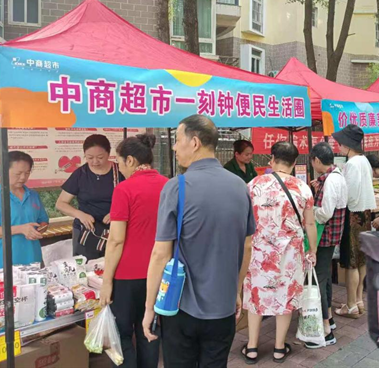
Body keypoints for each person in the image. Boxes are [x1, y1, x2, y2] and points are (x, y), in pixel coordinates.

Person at [142, 115, 255, 368]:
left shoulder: (177, 187)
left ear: (194, 143)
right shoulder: (240, 186)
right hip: (223, 307)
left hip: (181, 308)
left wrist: (150, 308)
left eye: (177, 140)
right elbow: (247, 246)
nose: (174, 147)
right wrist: (236, 291)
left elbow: (160, 254)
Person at [241, 142, 317, 363]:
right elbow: (310, 224)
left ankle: (252, 347)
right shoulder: (303, 188)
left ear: (272, 159)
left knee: (256, 297)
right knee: (286, 298)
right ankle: (279, 348)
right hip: (290, 255)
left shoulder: (253, 185)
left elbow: (244, 219)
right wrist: (312, 250)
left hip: (259, 253)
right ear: (294, 162)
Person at [99, 134, 167, 368]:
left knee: (122, 335)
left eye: (119, 162)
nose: (119, 168)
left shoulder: (124, 189)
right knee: (150, 331)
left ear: (130, 160)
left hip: (127, 276)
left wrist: (107, 280)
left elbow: (116, 240)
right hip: (159, 273)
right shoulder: (169, 185)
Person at [305, 143, 348, 350]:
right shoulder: (336, 176)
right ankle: (329, 318)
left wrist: (309, 211)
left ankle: (325, 332)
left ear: (316, 160)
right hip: (331, 236)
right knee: (325, 277)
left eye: (312, 161)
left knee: (318, 281)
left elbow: (324, 213)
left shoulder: (331, 180)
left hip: (325, 235)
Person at [56, 134, 125, 260]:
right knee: (84, 266)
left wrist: (118, 212)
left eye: (100, 157)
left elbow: (134, 200)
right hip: (86, 232)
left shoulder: (120, 172)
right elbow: (61, 203)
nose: (95, 162)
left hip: (115, 230)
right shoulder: (80, 174)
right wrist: (80, 214)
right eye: (90, 157)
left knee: (113, 265)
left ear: (109, 153)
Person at [332, 125, 376, 319]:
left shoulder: (351, 164)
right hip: (365, 213)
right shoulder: (364, 160)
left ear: (348, 144)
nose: (339, 146)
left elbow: (348, 193)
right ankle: (358, 300)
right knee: (361, 260)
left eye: (341, 143)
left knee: (351, 263)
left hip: (352, 214)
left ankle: (350, 305)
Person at [0, 152, 49, 270]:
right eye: (18, 173)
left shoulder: (33, 195)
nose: (23, 177)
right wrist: (21, 229)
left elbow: (43, 221)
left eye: (27, 173)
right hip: (0, 263)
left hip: (32, 261)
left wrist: (41, 228)